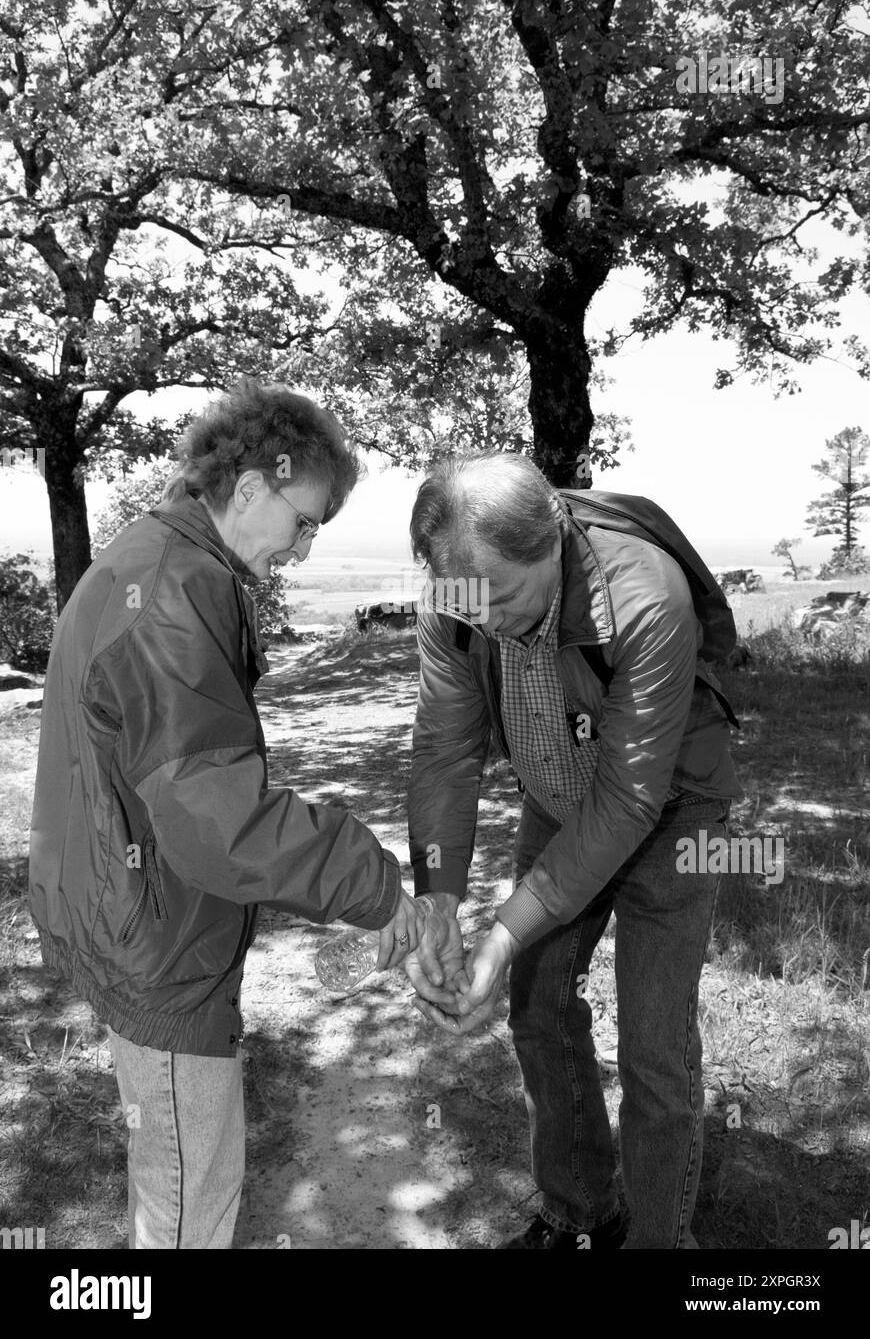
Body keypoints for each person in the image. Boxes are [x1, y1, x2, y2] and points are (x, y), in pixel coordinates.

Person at [28, 380, 434, 1250]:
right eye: (304, 522)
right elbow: (219, 819)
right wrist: (376, 885)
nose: (305, 548)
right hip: (157, 943)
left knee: (173, 1184)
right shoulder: (175, 593)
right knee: (188, 1210)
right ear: (252, 488)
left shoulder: (160, 555)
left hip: (131, 908)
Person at [403, 451, 741, 1250]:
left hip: (673, 816)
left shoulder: (644, 596)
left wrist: (506, 929)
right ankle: (578, 1214)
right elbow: (444, 752)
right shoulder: (461, 595)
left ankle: (660, 1243)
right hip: (559, 803)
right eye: (471, 606)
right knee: (538, 1009)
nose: (486, 622)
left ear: (553, 538)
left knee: (655, 1050)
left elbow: (629, 800)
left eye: (506, 599)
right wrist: (441, 901)